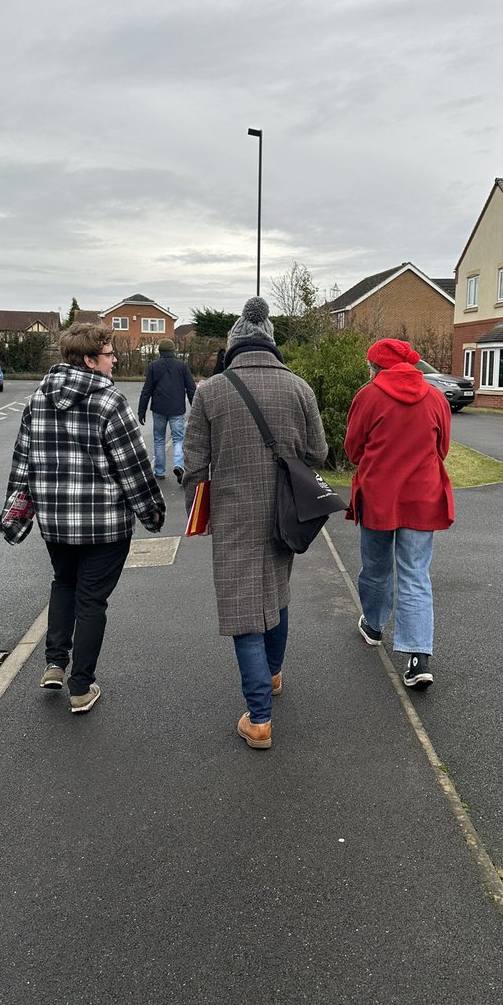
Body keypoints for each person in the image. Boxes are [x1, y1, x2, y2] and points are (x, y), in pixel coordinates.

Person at [183, 297, 328, 750]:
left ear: (233, 346)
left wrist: (198, 514)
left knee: (243, 607)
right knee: (277, 593)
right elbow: (318, 454)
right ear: (270, 343)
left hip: (233, 514)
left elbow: (194, 466)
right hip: (287, 513)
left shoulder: (211, 391)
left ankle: (260, 717)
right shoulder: (300, 388)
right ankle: (274, 675)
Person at [2, 323, 165, 713]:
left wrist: (14, 514)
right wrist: (152, 514)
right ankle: (81, 685)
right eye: (110, 355)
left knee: (63, 583)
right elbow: (133, 467)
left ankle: (55, 663)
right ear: (90, 360)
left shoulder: (37, 399)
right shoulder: (110, 402)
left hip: (55, 523)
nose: (115, 361)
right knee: (92, 600)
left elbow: (22, 463)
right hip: (104, 525)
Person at [344, 338, 453, 689]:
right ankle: (418, 656)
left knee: (376, 567)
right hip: (423, 497)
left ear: (376, 367)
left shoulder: (369, 396)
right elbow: (443, 448)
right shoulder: (436, 397)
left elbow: (353, 448)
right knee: (416, 573)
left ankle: (374, 625)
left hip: (379, 496)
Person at [138, 338, 197, 483]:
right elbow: (191, 389)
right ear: (173, 351)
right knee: (178, 438)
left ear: (160, 352)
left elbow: (147, 390)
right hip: (177, 408)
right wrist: (195, 408)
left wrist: (142, 410)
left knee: (159, 439)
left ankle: (159, 471)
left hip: (158, 408)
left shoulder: (153, 365)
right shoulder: (182, 366)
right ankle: (178, 465)